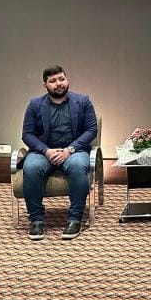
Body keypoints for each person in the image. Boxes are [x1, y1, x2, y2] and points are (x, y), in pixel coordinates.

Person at [21, 65, 98, 241]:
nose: (58, 84)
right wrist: (46, 151)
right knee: (31, 168)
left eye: (61, 79)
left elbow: (91, 130)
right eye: (53, 81)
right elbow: (27, 134)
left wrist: (69, 150)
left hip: (74, 151)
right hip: (44, 152)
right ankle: (36, 220)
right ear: (45, 85)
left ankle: (74, 219)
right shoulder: (34, 104)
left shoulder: (83, 101)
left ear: (67, 80)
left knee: (78, 166)